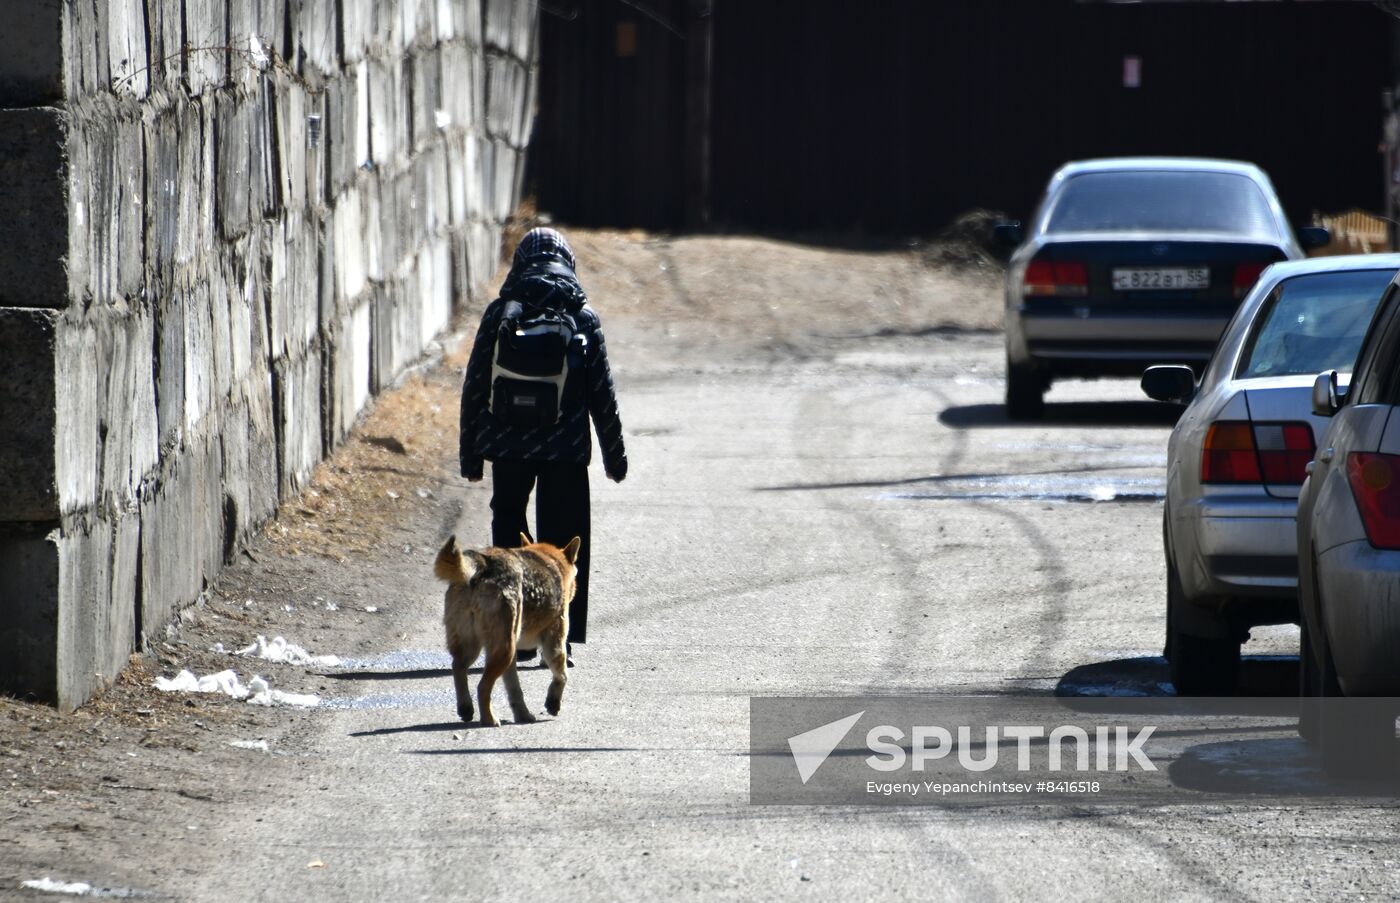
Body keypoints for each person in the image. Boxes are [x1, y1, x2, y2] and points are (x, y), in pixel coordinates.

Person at [458, 227, 627, 662]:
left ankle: (511, 632)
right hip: (565, 448)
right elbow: (601, 393)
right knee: (563, 539)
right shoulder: (582, 316)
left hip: (508, 441)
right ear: (567, 262)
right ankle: (559, 637)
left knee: (508, 528)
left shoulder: (501, 313)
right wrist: (614, 456)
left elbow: (476, 383)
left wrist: (471, 454)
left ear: (520, 263)